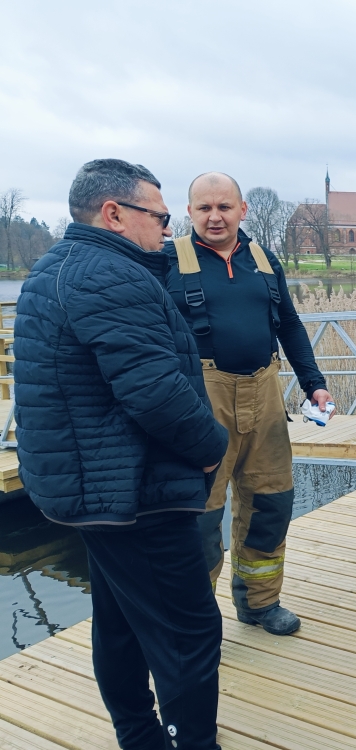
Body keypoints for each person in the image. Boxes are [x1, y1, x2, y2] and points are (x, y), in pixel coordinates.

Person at [14, 159, 230, 749]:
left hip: (93, 489)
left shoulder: (57, 267)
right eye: (158, 216)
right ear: (114, 214)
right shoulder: (108, 276)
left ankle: (139, 736)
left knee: (120, 623)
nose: (167, 229)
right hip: (134, 493)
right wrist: (212, 449)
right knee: (188, 631)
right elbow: (154, 392)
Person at [162, 172, 332, 636]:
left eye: (224, 207)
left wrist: (313, 383)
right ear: (189, 211)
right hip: (201, 396)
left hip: (265, 388)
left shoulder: (262, 258)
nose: (215, 217)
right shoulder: (163, 261)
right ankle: (194, 619)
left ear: (243, 209)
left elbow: (291, 326)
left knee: (271, 501)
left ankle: (259, 602)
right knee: (200, 515)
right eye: (204, 208)